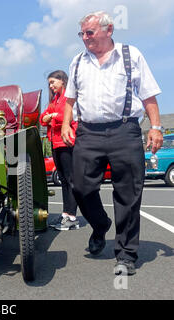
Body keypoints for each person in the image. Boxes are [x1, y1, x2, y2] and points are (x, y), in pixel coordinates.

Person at [61, 11, 163, 275]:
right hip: (88, 133)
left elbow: (149, 95)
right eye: (82, 34)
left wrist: (155, 128)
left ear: (109, 30)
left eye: (90, 32)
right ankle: (100, 224)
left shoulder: (131, 56)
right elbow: (70, 99)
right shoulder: (77, 62)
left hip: (124, 131)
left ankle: (126, 254)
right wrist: (64, 124)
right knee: (80, 187)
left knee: (128, 194)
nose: (85, 38)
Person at [40, 70, 79, 231]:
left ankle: (72, 217)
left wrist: (53, 117)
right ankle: (65, 213)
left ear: (62, 81)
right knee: (63, 180)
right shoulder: (54, 100)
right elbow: (43, 119)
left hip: (67, 142)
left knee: (71, 180)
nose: (51, 86)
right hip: (55, 143)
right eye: (49, 83)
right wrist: (52, 116)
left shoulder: (68, 98)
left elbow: (66, 116)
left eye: (53, 82)